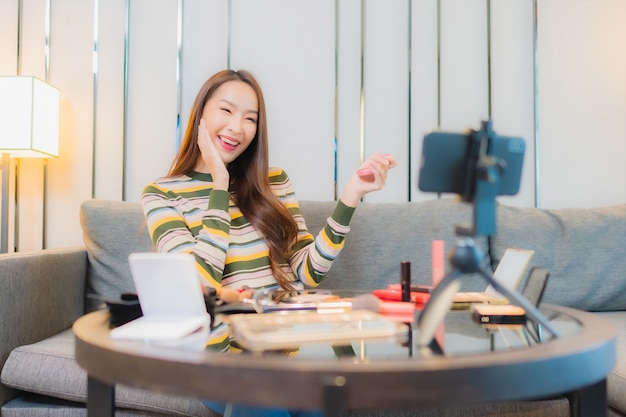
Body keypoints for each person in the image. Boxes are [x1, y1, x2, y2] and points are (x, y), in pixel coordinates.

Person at [140, 69, 396, 417]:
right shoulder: (161, 194)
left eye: (250, 118)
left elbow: (305, 275)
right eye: (226, 111)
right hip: (216, 361)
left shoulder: (274, 182)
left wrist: (351, 196)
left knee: (328, 399)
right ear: (201, 116)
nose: (237, 128)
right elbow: (198, 283)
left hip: (283, 349)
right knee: (265, 398)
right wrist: (219, 183)